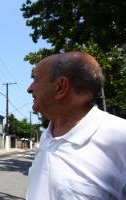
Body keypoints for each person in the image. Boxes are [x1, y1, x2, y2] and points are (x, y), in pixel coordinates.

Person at [26, 51, 126, 200]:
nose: (29, 88)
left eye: (35, 79)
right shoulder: (47, 136)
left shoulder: (121, 138)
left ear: (60, 87)